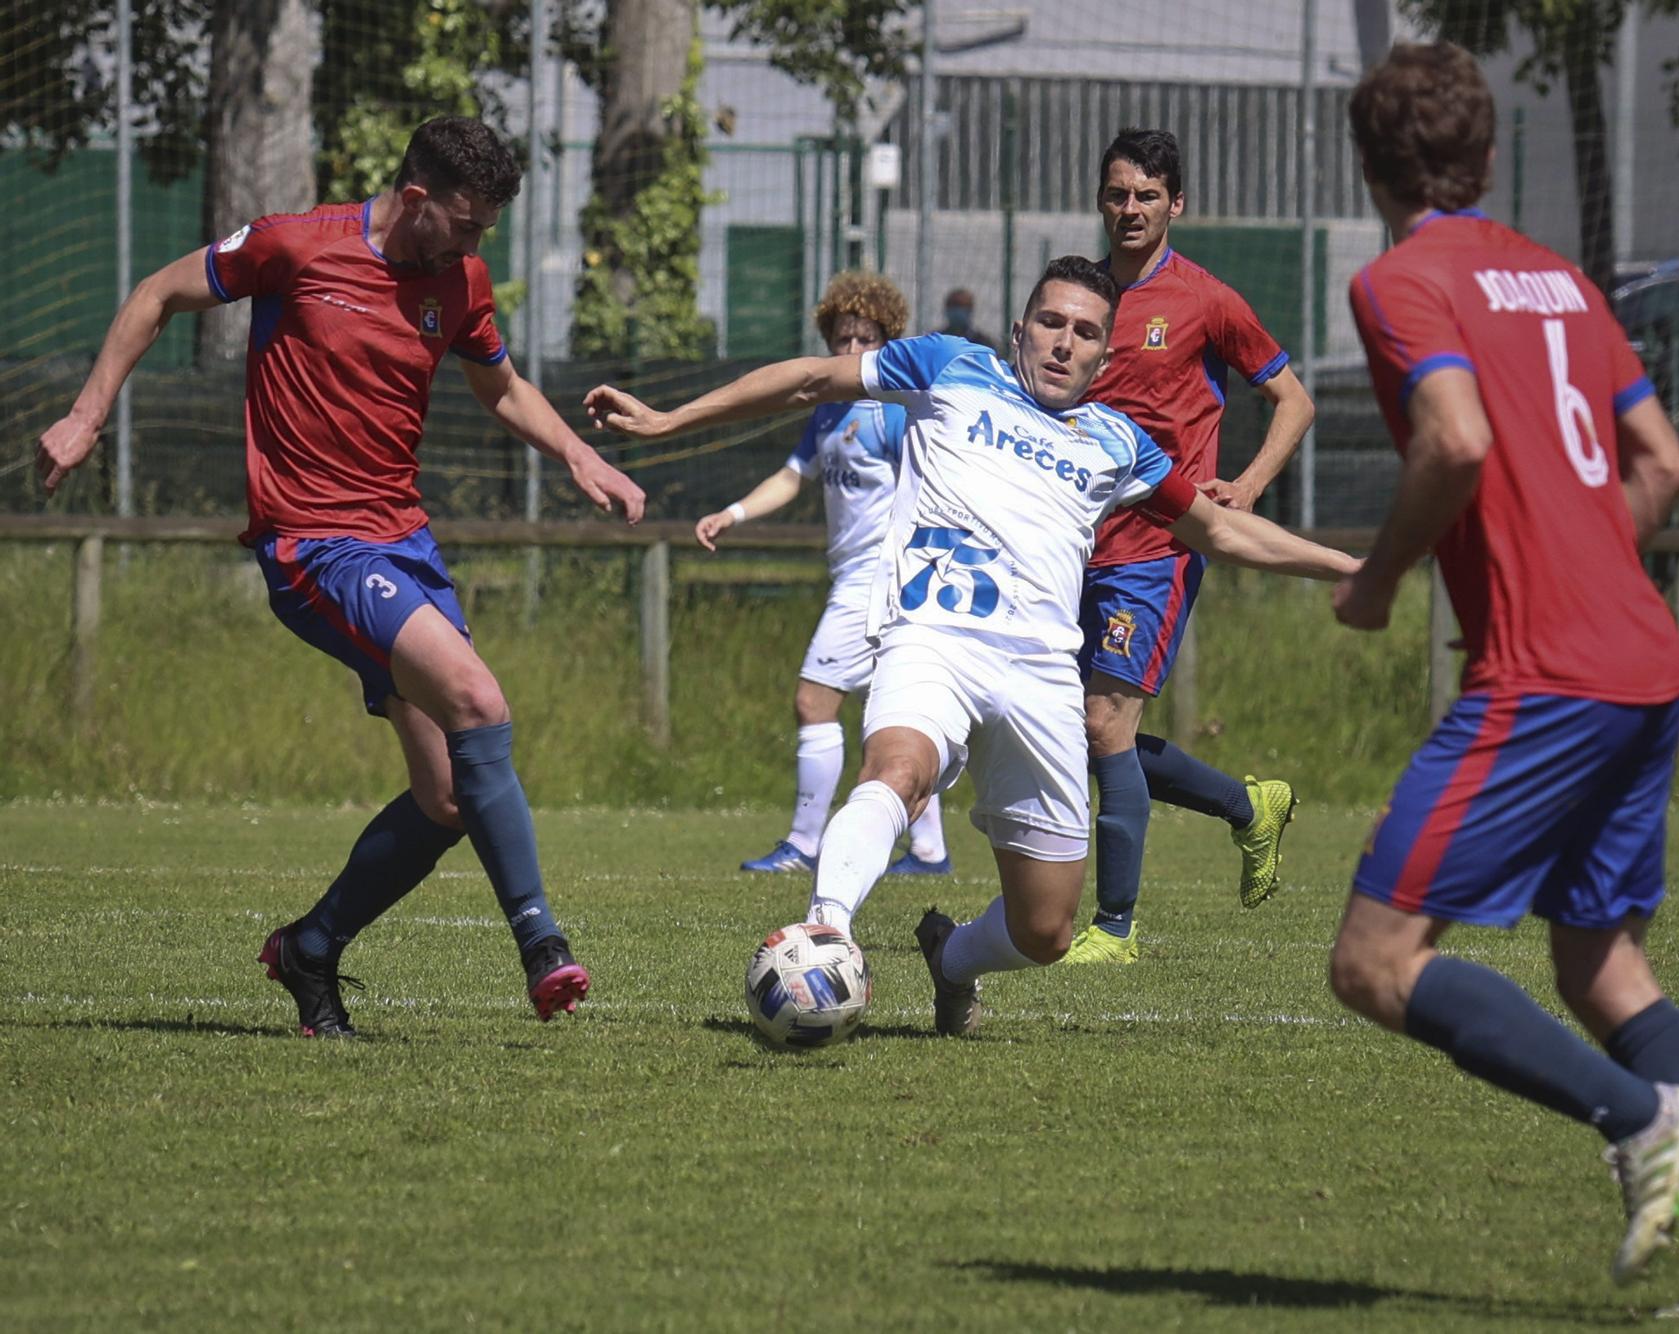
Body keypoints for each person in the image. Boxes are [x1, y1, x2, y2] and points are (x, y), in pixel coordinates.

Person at [1326, 44, 1679, 1316]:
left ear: (1369, 164)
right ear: (1483, 157)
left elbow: (1457, 438)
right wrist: (1587, 559)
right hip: (1643, 657)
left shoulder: (1396, 280)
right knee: (1599, 963)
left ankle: (1636, 1114)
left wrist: (1378, 575)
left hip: (1544, 676)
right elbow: (1663, 464)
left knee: (1374, 960)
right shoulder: (1560, 280)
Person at [584, 257, 1356, 1029]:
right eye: (1051, 322)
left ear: (1105, 355)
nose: (1064, 342)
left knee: (1047, 929)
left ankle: (950, 960)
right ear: (1020, 329)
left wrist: (1352, 568)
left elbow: (1219, 529)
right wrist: (665, 419)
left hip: (1042, 678)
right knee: (899, 768)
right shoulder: (948, 364)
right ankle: (825, 932)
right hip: (934, 642)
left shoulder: (1117, 443)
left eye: (1085, 332)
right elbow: (813, 381)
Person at [34, 117, 648, 1038]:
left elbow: (501, 384)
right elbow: (158, 294)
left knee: (447, 796)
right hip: (313, 545)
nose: (479, 244)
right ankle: (542, 945)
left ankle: (311, 948)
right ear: (414, 199)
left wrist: (575, 455)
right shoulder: (296, 246)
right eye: (469, 222)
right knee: (479, 701)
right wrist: (87, 415)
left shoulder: (461, 279)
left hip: (403, 544)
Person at [1066, 127, 1320, 966]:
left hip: (1158, 548)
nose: (1129, 209)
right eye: (1116, 194)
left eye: (1146, 195)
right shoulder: (1078, 300)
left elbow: (1293, 400)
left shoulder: (1207, 300)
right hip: (1071, 547)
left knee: (1105, 722)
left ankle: (1114, 929)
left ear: (1176, 203)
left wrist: (1245, 486)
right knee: (1078, 732)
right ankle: (1251, 810)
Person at [700, 271, 951, 880]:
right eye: (843, 339)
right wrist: (732, 513)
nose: (852, 352)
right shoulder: (829, 412)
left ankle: (804, 844)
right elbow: (792, 477)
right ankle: (928, 852)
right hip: (855, 577)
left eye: (867, 339)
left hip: (881, 577)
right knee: (897, 713)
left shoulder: (894, 412)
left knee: (814, 699)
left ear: (887, 342)